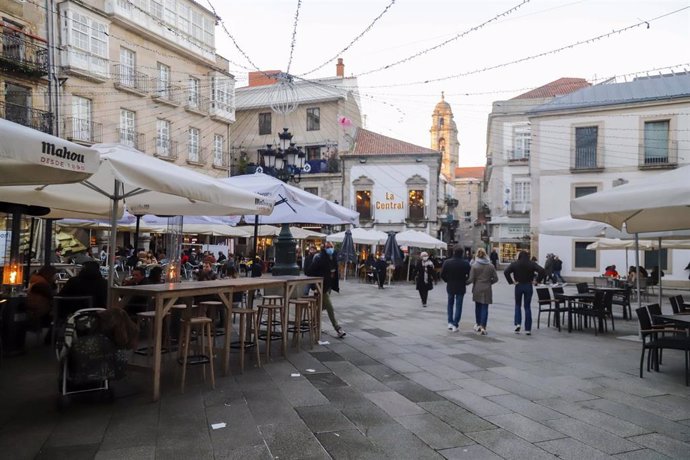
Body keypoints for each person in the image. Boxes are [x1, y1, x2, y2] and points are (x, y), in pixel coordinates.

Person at [306, 241, 346, 338]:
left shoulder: (333, 258)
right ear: (324, 248)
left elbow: (334, 272)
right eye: (328, 247)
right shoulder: (320, 258)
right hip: (321, 287)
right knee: (329, 306)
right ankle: (337, 328)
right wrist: (316, 282)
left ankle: (312, 323)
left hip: (328, 286)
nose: (330, 249)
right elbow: (309, 271)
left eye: (331, 247)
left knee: (321, 306)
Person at [504, 250, 545, 335]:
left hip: (518, 285)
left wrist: (511, 282)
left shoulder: (515, 264)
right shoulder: (531, 263)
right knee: (527, 306)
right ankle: (528, 328)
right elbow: (541, 270)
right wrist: (537, 281)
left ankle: (518, 324)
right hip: (528, 285)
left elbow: (506, 272)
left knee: (518, 305)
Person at [466, 248, 499, 336]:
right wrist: (489, 282)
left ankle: (478, 324)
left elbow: (471, 279)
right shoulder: (491, 266)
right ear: (486, 255)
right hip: (487, 288)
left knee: (478, 307)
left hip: (477, 287)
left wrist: (464, 283)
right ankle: (483, 327)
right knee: (485, 307)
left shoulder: (474, 265)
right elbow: (496, 278)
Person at [440, 248, 471, 332]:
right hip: (461, 285)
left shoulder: (447, 262)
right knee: (458, 305)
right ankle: (455, 323)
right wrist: (465, 281)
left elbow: (442, 274)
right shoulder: (465, 263)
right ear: (462, 253)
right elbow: (469, 275)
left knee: (450, 304)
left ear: (454, 252)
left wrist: (447, 280)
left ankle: (450, 322)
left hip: (450, 285)